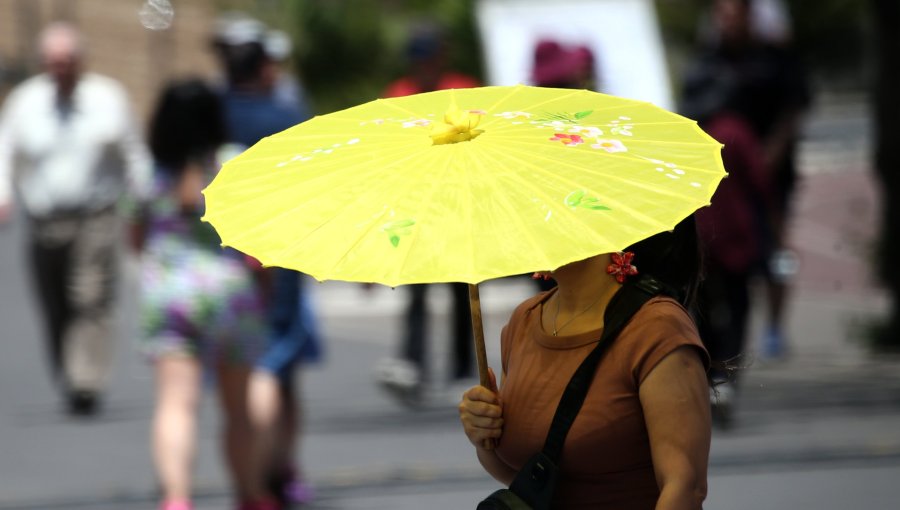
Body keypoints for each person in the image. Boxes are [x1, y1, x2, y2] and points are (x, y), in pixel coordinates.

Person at [459, 216, 712, 509]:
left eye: (547, 209)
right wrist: (483, 434)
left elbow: (684, 487)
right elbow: (520, 476)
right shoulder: (524, 321)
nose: (529, 221)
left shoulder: (656, 328)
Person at [0, 22, 152, 416]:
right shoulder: (26, 102)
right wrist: (3, 196)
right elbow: (5, 150)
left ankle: (86, 379)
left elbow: (134, 154)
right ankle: (69, 371)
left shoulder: (108, 98)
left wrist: (142, 199)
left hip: (96, 216)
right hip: (44, 220)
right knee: (55, 303)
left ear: (81, 61)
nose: (60, 68)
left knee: (90, 297)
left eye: (67, 61)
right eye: (52, 62)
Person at [135, 79, 264, 510]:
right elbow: (256, 239)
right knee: (238, 410)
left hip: (168, 292)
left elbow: (135, 235)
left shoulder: (151, 171)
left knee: (176, 404)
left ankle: (176, 498)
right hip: (229, 292)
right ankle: (249, 494)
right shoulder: (233, 162)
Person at [215, 26, 320, 509]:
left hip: (220, 259)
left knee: (241, 374)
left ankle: (254, 477)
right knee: (278, 367)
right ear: (264, 69)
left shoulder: (210, 117)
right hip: (281, 252)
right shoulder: (285, 117)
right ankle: (277, 470)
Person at [682, 0, 811, 360]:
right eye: (719, 14)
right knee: (721, 260)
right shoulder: (708, 63)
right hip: (723, 180)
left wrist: (769, 155)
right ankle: (720, 347)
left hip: (768, 174)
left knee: (773, 252)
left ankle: (775, 325)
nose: (725, 22)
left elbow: (794, 108)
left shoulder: (773, 60)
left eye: (732, 14)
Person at [374, 21, 480, 406]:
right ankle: (412, 363)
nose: (425, 65)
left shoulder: (463, 89)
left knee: (460, 289)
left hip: (457, 200)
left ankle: (461, 369)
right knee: (416, 287)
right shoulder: (399, 94)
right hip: (416, 202)